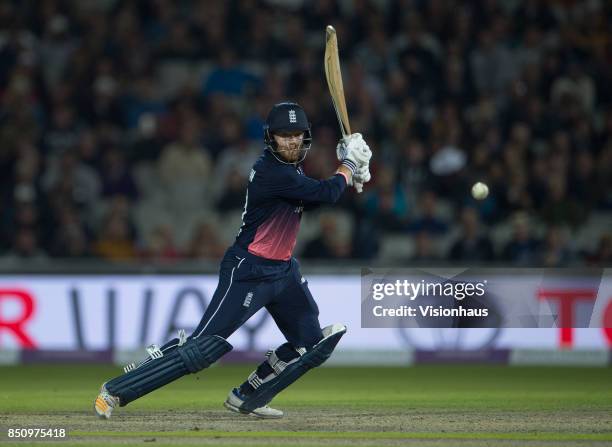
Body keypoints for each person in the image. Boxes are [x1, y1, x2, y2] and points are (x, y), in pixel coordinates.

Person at [93, 101, 372, 419]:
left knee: (310, 344)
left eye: (297, 135)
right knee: (202, 349)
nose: (292, 141)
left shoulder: (291, 170)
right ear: (271, 138)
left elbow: (318, 192)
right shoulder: (272, 171)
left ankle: (248, 395)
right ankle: (114, 390)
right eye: (285, 135)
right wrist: (348, 167)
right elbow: (325, 194)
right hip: (248, 270)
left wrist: (351, 171)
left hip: (283, 272)